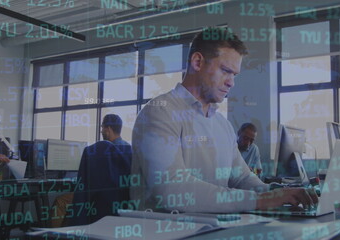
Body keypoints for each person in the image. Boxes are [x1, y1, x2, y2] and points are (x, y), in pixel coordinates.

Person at [131, 27, 318, 213]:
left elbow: (242, 178)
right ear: (197, 62)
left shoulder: (222, 124)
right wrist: (262, 200)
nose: (231, 82)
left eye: (234, 75)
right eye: (226, 71)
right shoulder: (159, 112)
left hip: (213, 228)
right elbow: (172, 190)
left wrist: (279, 193)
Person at [51, 114, 131, 227]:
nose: (102, 131)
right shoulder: (129, 149)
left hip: (98, 198)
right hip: (121, 198)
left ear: (107, 129)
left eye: (102, 128)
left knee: (60, 201)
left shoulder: (101, 151)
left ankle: (54, 234)